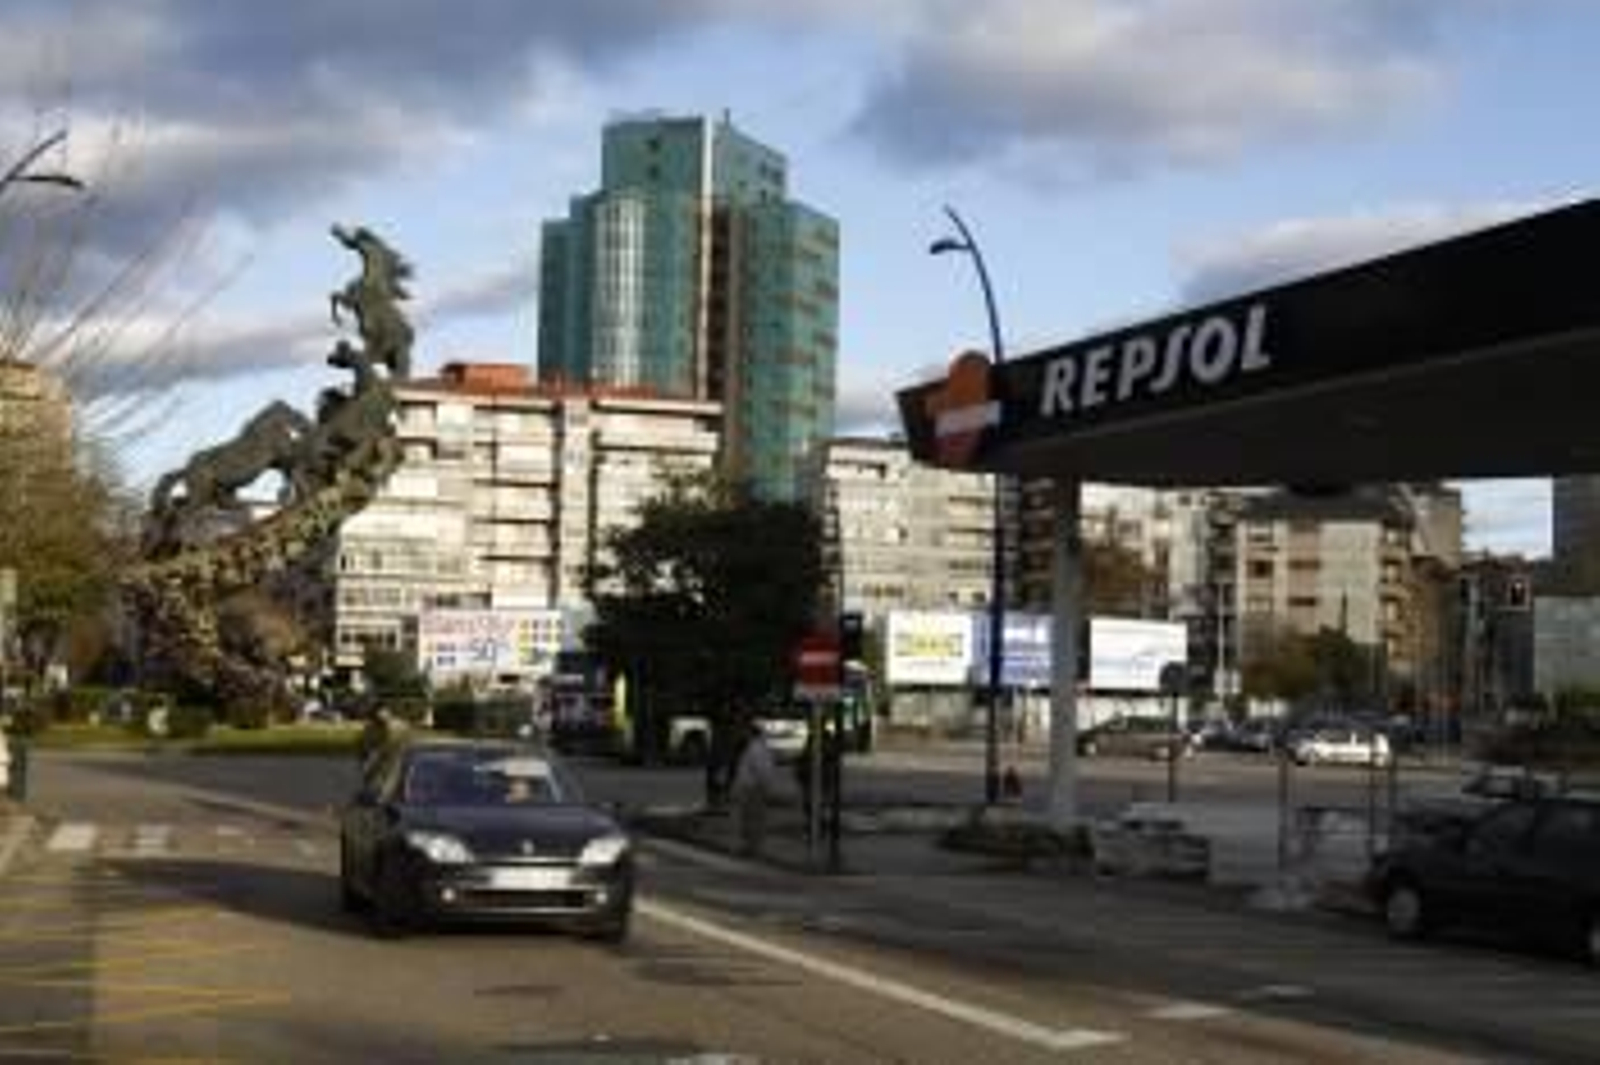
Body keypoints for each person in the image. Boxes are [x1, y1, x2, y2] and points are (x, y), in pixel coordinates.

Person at [730, 719, 777, 857]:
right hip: (752, 788)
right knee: (750, 818)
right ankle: (751, 846)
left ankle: (753, 847)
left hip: (753, 789)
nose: (742, 734)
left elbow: (762, 771)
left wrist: (764, 787)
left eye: (745, 732)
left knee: (752, 819)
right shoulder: (756, 748)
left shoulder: (756, 749)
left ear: (751, 733)